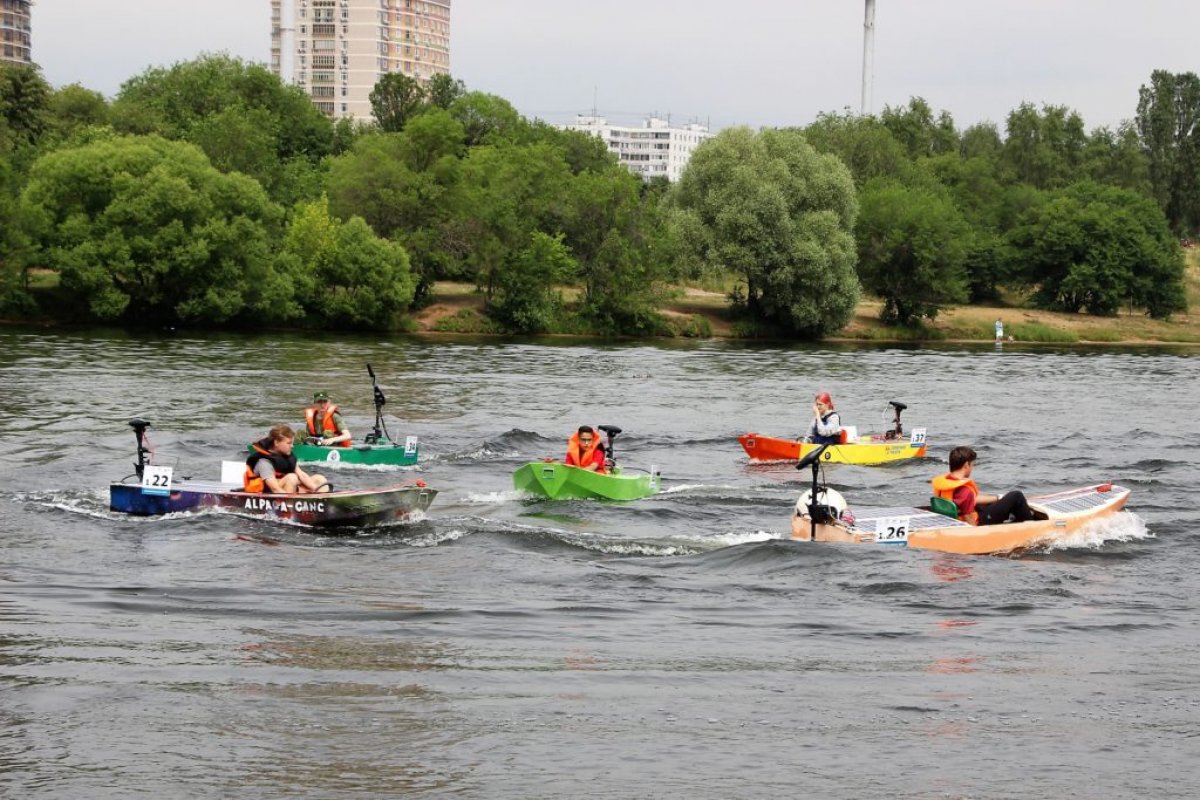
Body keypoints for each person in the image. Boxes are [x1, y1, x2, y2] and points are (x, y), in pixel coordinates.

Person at [931, 446, 1036, 526]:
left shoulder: (947, 482)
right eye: (972, 465)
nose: (972, 468)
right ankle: (1032, 527)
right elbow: (971, 522)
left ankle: (1016, 519)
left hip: (955, 519)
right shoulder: (964, 490)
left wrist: (998, 498)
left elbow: (971, 500)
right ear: (966, 465)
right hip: (978, 523)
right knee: (1016, 496)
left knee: (991, 504)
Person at [244, 424, 331, 494]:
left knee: (320, 479)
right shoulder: (264, 462)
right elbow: (275, 489)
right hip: (271, 495)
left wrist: (317, 491)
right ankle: (288, 511)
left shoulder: (287, 455)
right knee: (291, 478)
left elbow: (302, 475)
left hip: (289, 489)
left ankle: (324, 502)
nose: (292, 446)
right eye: (289, 443)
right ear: (277, 442)